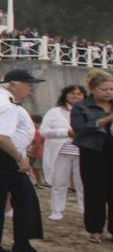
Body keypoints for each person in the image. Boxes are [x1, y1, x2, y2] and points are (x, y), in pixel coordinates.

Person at [0, 69, 57, 252]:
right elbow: (1, 137)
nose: (31, 90)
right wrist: (20, 158)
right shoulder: (6, 104)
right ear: (13, 85)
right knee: (25, 197)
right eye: (28, 85)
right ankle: (23, 244)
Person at [72, 69, 113, 244]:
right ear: (93, 89)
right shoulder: (81, 107)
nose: (108, 92)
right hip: (93, 152)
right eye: (104, 89)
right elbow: (80, 129)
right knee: (94, 191)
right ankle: (95, 230)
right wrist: (106, 120)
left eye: (111, 89)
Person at [41, 85, 86, 222]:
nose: (76, 96)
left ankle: (84, 209)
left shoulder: (88, 112)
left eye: (79, 94)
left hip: (82, 152)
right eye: (72, 93)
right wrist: (65, 132)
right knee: (59, 182)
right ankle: (57, 210)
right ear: (65, 95)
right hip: (61, 152)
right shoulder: (54, 112)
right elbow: (43, 131)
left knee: (83, 183)